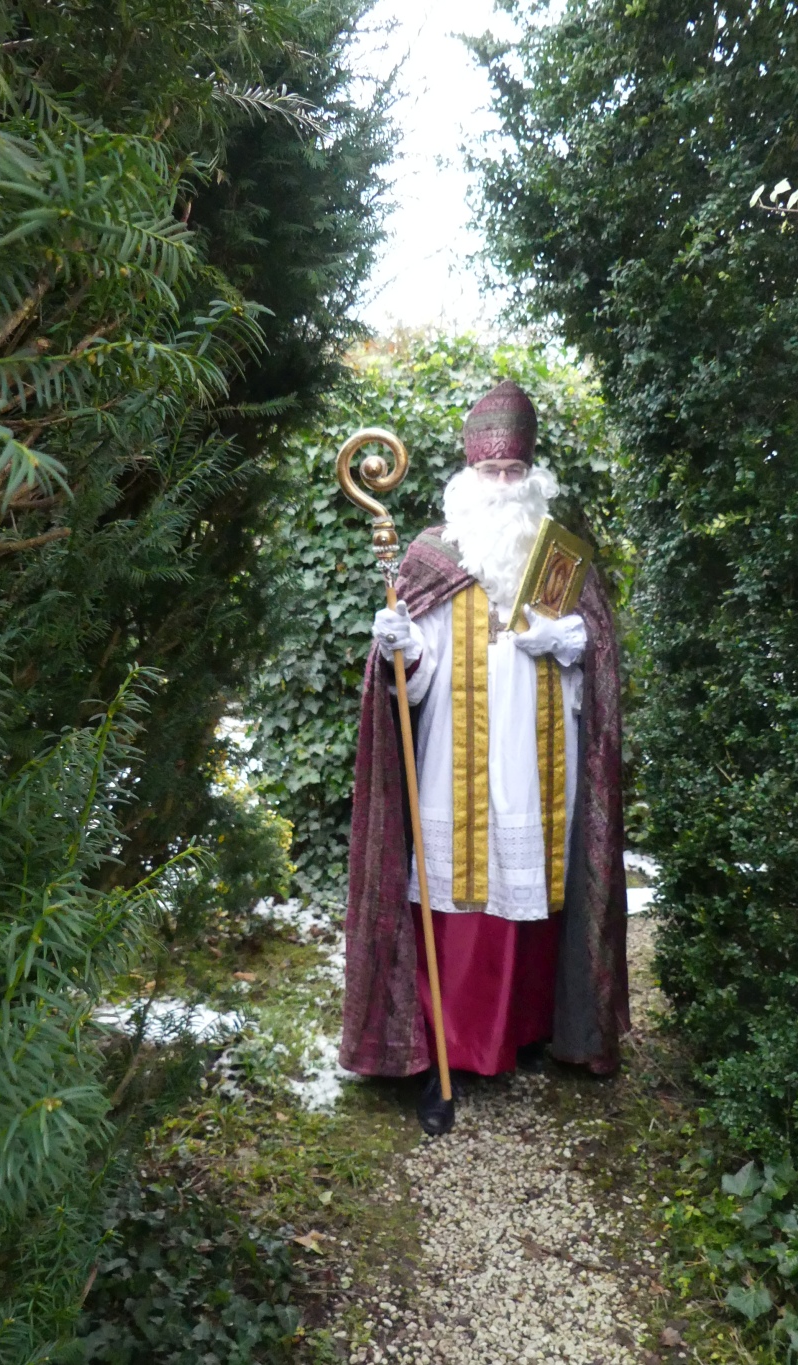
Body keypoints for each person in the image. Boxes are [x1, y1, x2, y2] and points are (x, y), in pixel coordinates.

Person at [338, 379, 629, 1134]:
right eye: (491, 471)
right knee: (455, 896)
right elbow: (415, 674)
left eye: (514, 471)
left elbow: (598, 654)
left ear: (532, 474)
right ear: (469, 472)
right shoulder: (434, 553)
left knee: (532, 892)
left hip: (538, 762)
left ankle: (527, 1031)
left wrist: (569, 642)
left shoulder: (558, 556)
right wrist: (401, 648)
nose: (503, 484)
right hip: (452, 762)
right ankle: (445, 1048)